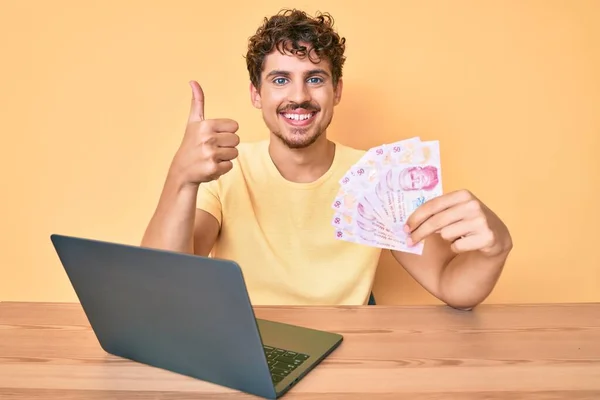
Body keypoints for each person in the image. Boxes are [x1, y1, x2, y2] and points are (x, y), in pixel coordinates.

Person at [141, 9, 513, 309]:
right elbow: (165, 286)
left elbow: (452, 284)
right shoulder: (225, 173)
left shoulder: (377, 177)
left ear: (337, 91)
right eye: (281, 80)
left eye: (315, 79)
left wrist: (496, 247)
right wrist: (181, 179)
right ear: (257, 94)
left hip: (349, 349)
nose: (299, 96)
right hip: (248, 344)